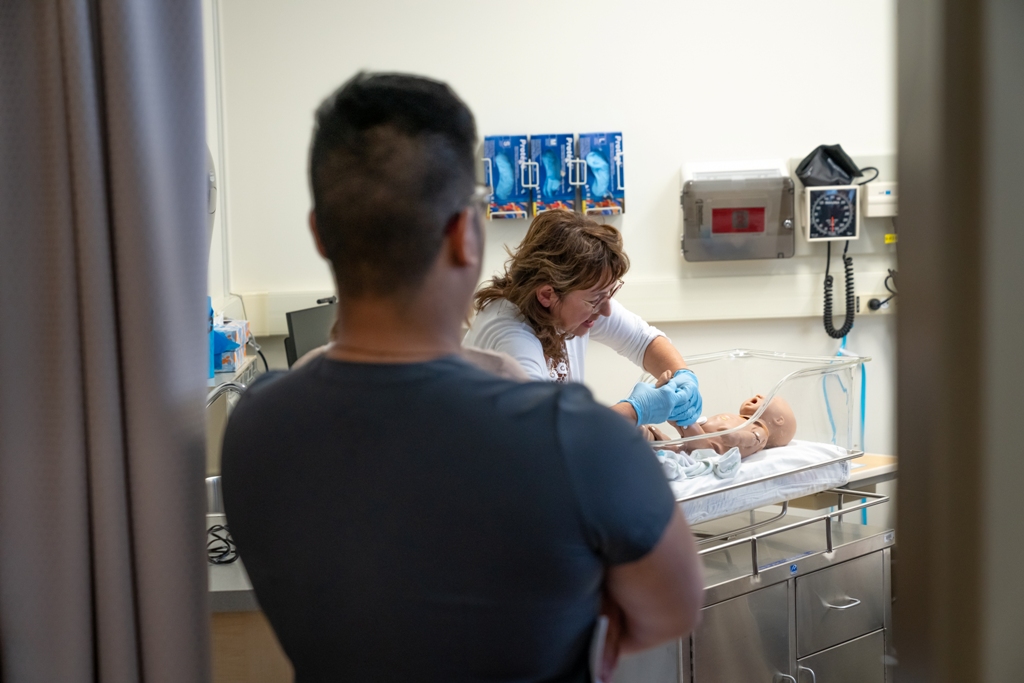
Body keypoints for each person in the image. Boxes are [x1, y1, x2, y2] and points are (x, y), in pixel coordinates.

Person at [221, 72, 703, 683]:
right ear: (466, 234)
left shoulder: (255, 426)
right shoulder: (578, 439)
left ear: (320, 233)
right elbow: (671, 611)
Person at [464, 210, 703, 429]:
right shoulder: (513, 338)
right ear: (547, 294)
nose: (606, 311)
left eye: (609, 293)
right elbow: (545, 432)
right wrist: (634, 410)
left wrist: (682, 376)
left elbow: (642, 341)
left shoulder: (571, 307)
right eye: (595, 299)